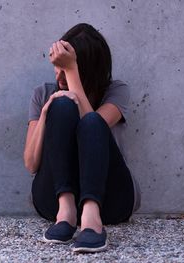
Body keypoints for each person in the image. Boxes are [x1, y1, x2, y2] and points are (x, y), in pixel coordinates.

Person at [23, 23, 141, 253]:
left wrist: (72, 72)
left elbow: (93, 128)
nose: (60, 74)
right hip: (54, 203)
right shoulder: (42, 93)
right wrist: (47, 111)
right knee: (61, 105)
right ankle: (67, 210)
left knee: (89, 120)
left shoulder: (116, 91)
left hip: (111, 201)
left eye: (66, 66)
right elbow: (30, 164)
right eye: (58, 65)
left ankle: (91, 220)